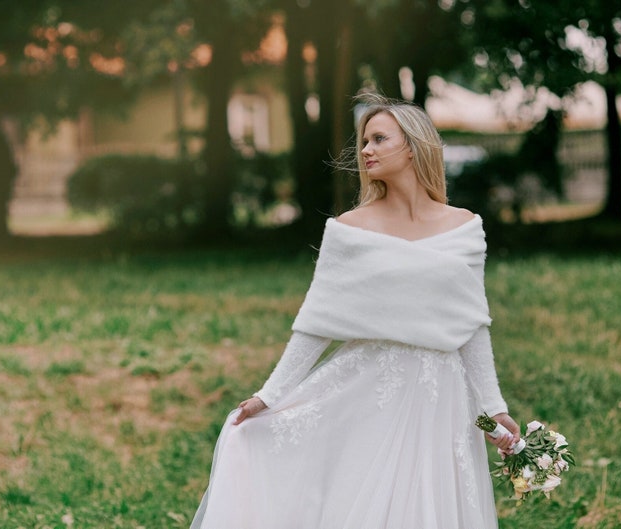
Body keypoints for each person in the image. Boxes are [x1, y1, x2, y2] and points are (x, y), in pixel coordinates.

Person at [190, 95, 520, 529]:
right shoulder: (348, 229)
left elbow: (473, 325)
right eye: (364, 141)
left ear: (413, 146)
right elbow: (316, 321)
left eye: (379, 139)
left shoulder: (464, 228)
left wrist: (493, 406)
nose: (365, 151)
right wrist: (269, 395)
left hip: (442, 398)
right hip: (372, 393)